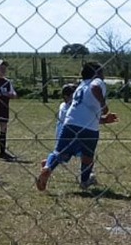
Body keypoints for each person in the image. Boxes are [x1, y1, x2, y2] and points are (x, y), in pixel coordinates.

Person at [37, 61, 118, 192]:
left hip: (70, 123)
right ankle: (84, 181)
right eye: (101, 72)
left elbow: (83, 112)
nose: (103, 75)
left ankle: (48, 168)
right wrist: (104, 105)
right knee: (87, 157)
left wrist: (103, 120)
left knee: (59, 152)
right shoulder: (97, 82)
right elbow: (95, 88)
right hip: (90, 129)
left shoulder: (80, 86)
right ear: (96, 73)